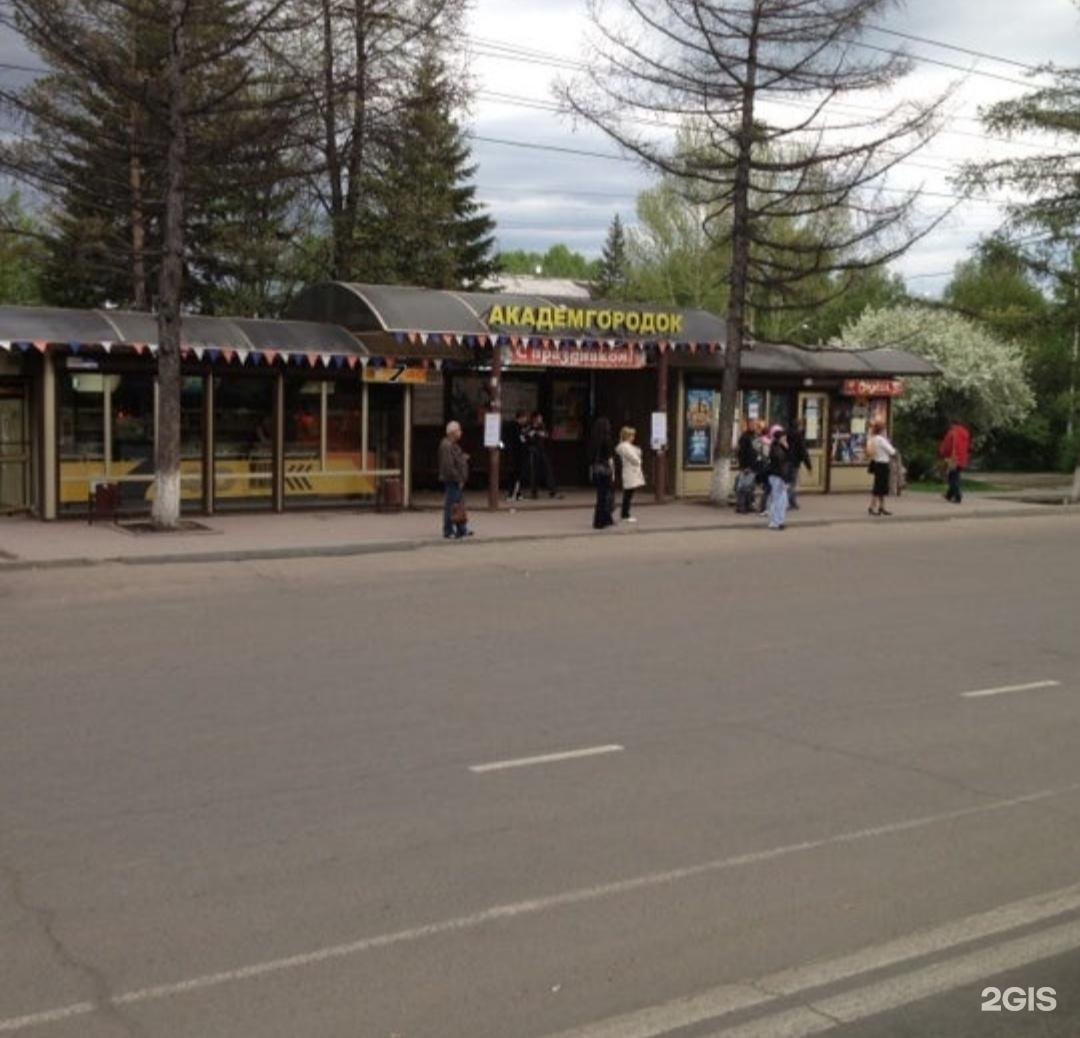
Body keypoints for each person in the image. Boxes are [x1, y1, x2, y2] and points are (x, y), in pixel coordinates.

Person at [438, 420, 472, 539]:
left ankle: (461, 528)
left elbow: (456, 459)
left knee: (459, 504)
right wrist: (458, 478)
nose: (461, 432)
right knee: (451, 504)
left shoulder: (454, 445)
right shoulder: (447, 445)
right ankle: (448, 530)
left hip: (457, 479)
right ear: (453, 432)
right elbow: (448, 465)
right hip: (452, 479)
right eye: (459, 430)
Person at [525, 412, 562, 498]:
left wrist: (543, 434)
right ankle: (534, 492)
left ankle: (552, 491)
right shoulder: (529, 427)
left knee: (548, 470)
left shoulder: (542, 426)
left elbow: (547, 435)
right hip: (533, 451)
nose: (540, 420)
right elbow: (527, 437)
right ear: (534, 419)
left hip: (543, 451)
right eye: (539, 418)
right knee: (534, 472)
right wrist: (534, 433)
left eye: (541, 418)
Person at [866, 418, 897, 516]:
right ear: (882, 430)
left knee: (881, 486)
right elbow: (892, 451)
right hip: (883, 464)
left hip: (876, 463)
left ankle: (881, 507)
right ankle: (872, 507)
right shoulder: (881, 440)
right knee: (879, 487)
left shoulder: (873, 439)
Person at [589, 417, 615, 529]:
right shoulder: (607, 440)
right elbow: (610, 458)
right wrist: (613, 472)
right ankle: (603, 520)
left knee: (600, 496)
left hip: (596, 469)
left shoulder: (594, 440)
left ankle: (600, 520)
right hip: (605, 470)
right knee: (606, 495)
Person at [615, 426, 645, 522]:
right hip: (630, 472)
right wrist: (639, 461)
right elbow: (634, 458)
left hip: (630, 472)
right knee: (628, 494)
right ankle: (625, 515)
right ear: (627, 436)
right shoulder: (625, 447)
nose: (633, 437)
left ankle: (625, 513)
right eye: (632, 436)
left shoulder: (626, 446)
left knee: (628, 494)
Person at [939, 418, 971, 503]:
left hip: (953, 458)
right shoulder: (965, 432)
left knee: (952, 478)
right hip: (962, 458)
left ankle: (958, 496)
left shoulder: (952, 433)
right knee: (955, 476)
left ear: (952, 424)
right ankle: (949, 495)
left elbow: (947, 446)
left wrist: (942, 453)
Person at [766, 426, 791, 530]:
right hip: (778, 477)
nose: (785, 440)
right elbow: (782, 466)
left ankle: (779, 521)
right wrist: (785, 480)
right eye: (783, 438)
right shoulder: (777, 449)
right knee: (778, 500)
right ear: (779, 438)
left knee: (781, 500)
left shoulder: (778, 448)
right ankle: (775, 522)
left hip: (777, 476)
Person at [786, 419, 813, 509]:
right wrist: (808, 465)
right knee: (792, 483)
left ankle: (789, 502)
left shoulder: (786, 434)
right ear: (798, 426)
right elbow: (803, 451)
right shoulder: (798, 436)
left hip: (785, 461)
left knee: (787, 482)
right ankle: (790, 502)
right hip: (794, 462)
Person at [504, 409, 530, 501]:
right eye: (525, 418)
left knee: (516, 474)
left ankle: (517, 493)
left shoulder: (515, 427)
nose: (526, 420)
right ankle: (512, 494)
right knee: (515, 474)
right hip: (516, 454)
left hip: (513, 454)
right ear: (521, 418)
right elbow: (521, 440)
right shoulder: (516, 427)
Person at [735, 420, 758, 514]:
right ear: (748, 426)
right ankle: (741, 506)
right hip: (746, 466)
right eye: (751, 425)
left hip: (754, 465)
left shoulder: (754, 437)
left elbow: (756, 450)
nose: (753, 426)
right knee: (743, 487)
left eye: (754, 425)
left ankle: (748, 505)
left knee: (750, 487)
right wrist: (744, 466)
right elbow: (741, 453)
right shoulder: (744, 437)